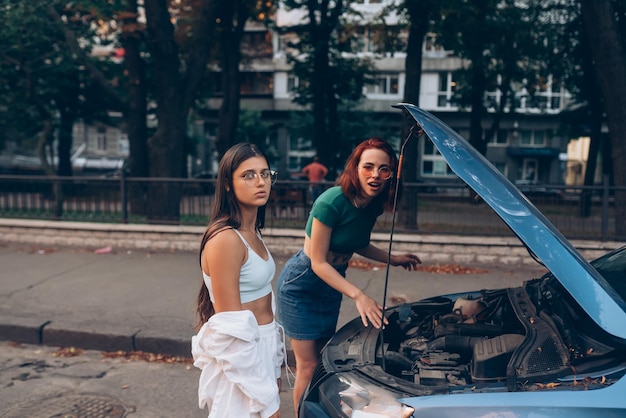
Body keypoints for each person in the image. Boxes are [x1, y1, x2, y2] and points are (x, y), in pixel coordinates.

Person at [276, 137, 422, 413]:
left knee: (323, 362)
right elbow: (318, 263)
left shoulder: (373, 204)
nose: (375, 175)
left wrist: (394, 259)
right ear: (355, 168)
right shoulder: (331, 201)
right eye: (368, 167)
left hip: (332, 284)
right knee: (307, 366)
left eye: (384, 169)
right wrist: (359, 295)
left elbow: (358, 241)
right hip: (303, 284)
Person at [191, 143, 284, 418]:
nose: (260, 182)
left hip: (262, 348)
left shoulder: (251, 231)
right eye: (248, 175)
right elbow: (232, 331)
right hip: (242, 358)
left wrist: (276, 362)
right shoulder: (226, 240)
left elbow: (267, 301)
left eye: (265, 174)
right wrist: (267, 400)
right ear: (228, 184)